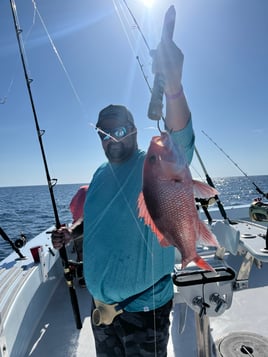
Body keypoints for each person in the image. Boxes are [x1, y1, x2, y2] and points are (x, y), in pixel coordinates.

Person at [52, 38, 194, 356]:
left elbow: (181, 139)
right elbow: (94, 217)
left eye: (119, 131)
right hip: (103, 312)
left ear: (133, 130)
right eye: (104, 133)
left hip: (144, 312)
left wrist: (173, 86)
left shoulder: (154, 164)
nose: (111, 139)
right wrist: (70, 233)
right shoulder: (100, 173)